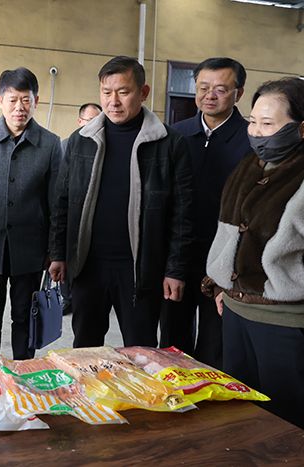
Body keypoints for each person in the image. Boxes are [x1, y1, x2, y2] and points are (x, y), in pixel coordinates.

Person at [49, 56, 193, 347]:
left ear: (143, 92)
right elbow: (62, 201)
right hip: (88, 266)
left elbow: (182, 215)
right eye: (106, 92)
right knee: (85, 347)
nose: (113, 101)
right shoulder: (81, 140)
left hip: (141, 270)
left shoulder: (169, 143)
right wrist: (57, 253)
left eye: (123, 92)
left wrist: (175, 270)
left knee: (140, 349)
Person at [202, 77, 304, 428]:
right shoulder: (249, 166)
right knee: (241, 414)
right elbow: (228, 232)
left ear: (301, 128)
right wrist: (222, 282)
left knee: (285, 422)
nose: (257, 133)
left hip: (284, 321)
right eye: (253, 122)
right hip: (236, 311)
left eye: (269, 124)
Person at [0, 67, 61, 360]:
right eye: (13, 99)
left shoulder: (50, 144)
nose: (19, 107)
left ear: (36, 101)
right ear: (0, 101)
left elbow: (57, 202)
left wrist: (54, 251)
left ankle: (22, 373)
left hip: (31, 250)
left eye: (26, 100)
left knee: (25, 316)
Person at [160, 57, 251, 368]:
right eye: (203, 87)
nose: (210, 95)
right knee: (173, 341)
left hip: (226, 259)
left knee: (217, 343)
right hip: (179, 254)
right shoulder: (175, 134)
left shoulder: (251, 139)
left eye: (221, 89)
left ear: (238, 93)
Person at [60, 102, 102, 315]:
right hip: (71, 215)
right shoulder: (67, 145)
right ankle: (66, 298)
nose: (95, 125)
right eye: (90, 120)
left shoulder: (104, 145)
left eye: (99, 120)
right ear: (79, 121)